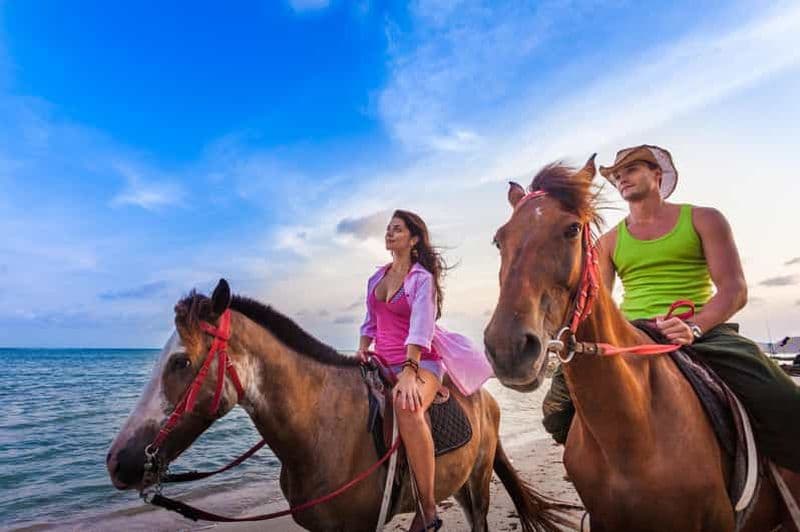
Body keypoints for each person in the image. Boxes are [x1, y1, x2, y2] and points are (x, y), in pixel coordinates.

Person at [542, 144, 800, 472]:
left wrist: (694, 326)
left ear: (657, 174)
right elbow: (597, 303)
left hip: (701, 332)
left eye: (632, 170)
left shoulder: (704, 218)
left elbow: (734, 290)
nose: (622, 178)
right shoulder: (606, 242)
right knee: (556, 408)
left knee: (784, 400)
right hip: (631, 334)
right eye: (617, 175)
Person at [357, 209, 493, 531]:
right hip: (381, 359)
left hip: (422, 362)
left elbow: (420, 326)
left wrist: (409, 369)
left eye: (398, 229)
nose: (390, 233)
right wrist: (362, 350)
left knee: (407, 406)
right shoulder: (376, 278)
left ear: (414, 238)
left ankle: (428, 508)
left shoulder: (421, 279)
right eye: (388, 229)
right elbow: (370, 321)